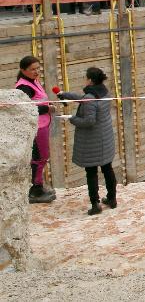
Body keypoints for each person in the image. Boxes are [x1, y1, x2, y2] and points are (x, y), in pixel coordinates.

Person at [57, 67, 117, 216]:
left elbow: (89, 121)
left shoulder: (90, 97)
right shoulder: (104, 92)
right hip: (105, 138)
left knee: (91, 172)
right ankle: (112, 199)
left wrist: (71, 118)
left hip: (92, 141)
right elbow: (84, 98)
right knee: (107, 169)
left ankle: (95, 204)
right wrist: (66, 94)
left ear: (90, 79)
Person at [14, 56, 57, 204]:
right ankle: (35, 190)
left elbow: (38, 100)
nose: (36, 71)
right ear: (23, 70)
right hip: (36, 127)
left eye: (38, 68)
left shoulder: (34, 81)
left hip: (43, 124)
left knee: (42, 156)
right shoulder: (23, 87)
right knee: (39, 157)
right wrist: (47, 108)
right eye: (32, 69)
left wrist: (47, 103)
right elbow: (25, 108)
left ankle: (38, 185)